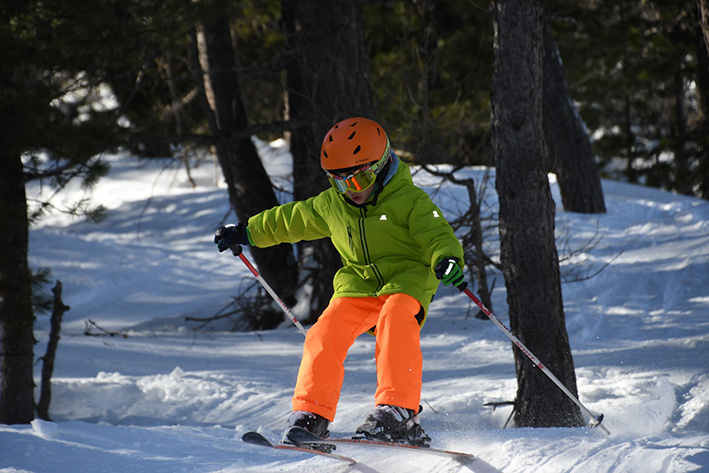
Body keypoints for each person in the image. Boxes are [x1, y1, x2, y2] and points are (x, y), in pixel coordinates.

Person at [214, 117, 465, 447]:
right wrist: (247, 231)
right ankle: (311, 413)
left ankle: (397, 409)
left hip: (407, 279)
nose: (352, 191)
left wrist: (446, 258)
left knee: (396, 317)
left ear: (382, 164)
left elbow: (437, 234)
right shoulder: (333, 204)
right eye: (341, 182)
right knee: (324, 331)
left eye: (360, 179)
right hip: (359, 285)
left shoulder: (410, 200)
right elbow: (291, 219)